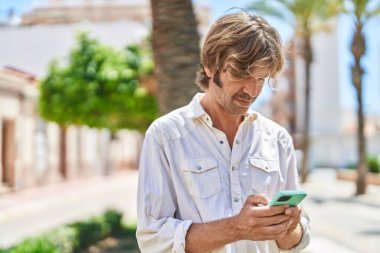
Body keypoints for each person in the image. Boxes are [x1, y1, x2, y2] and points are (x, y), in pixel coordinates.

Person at [136, 11, 310, 253]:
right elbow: (153, 239)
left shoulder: (278, 139)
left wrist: (289, 227)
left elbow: (294, 243)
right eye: (240, 74)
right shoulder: (166, 135)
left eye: (261, 78)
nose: (251, 90)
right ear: (209, 65)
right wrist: (238, 227)